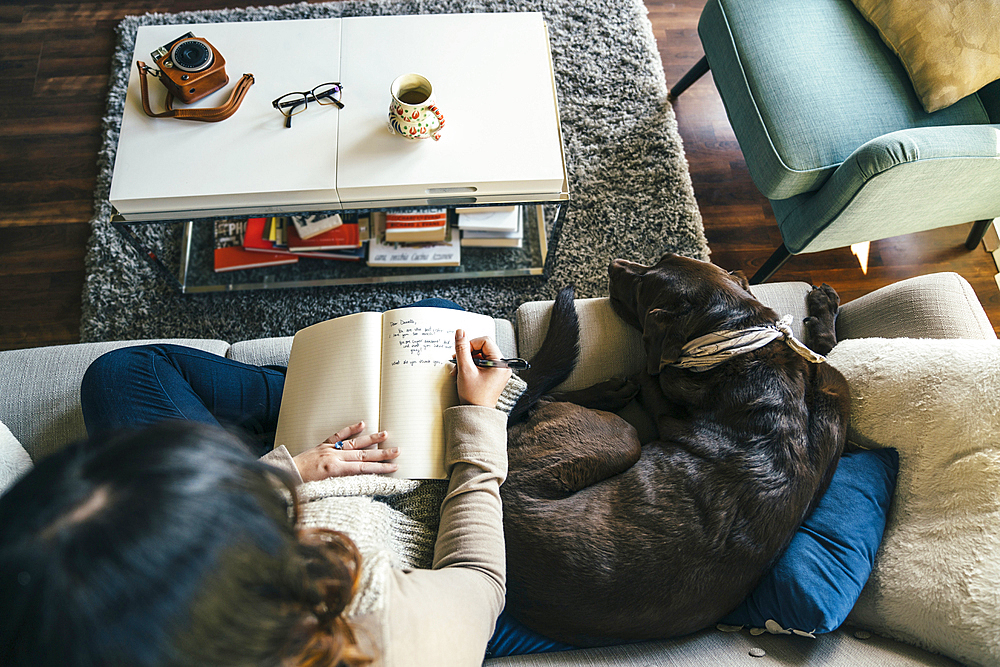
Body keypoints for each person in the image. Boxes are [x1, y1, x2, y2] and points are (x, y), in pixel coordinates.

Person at [0, 322, 522, 666]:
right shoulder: (379, 629)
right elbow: (478, 581)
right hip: (388, 518)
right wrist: (477, 419)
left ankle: (302, 398)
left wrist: (289, 468)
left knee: (124, 375)